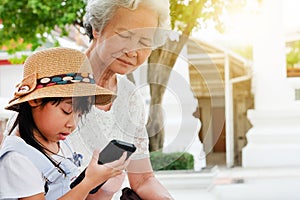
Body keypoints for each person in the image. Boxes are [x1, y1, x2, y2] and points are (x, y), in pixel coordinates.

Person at [68, 0, 174, 199]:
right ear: (97, 28)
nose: (132, 52)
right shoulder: (57, 82)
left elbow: (142, 179)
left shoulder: (130, 97)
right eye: (125, 35)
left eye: (144, 42)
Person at [0, 47, 131, 200]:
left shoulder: (61, 143)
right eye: (67, 111)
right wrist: (88, 182)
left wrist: (104, 189)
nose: (72, 124)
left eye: (80, 114)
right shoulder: (17, 159)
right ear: (35, 100)